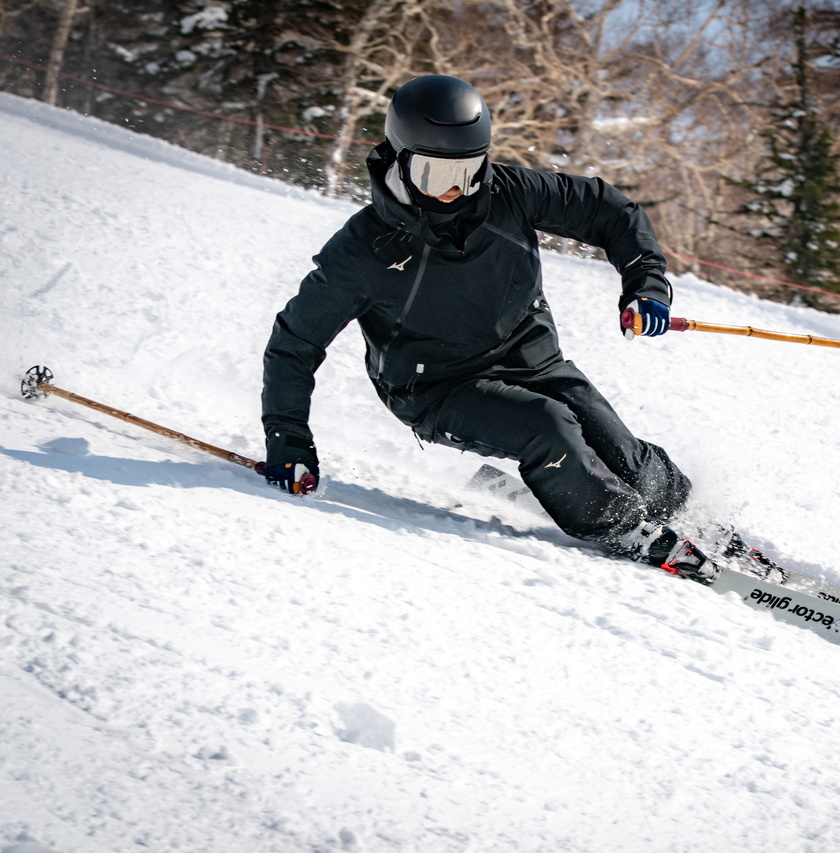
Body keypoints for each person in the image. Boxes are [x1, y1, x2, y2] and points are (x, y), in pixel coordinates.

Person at [260, 74, 717, 583]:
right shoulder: (364, 249)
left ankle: (685, 515)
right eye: (435, 174)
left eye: (469, 171)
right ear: (400, 160)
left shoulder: (510, 194)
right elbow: (294, 343)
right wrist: (288, 437)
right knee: (549, 429)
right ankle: (623, 527)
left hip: (531, 357)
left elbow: (607, 211)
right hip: (436, 386)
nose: (455, 191)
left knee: (621, 450)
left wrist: (646, 283)